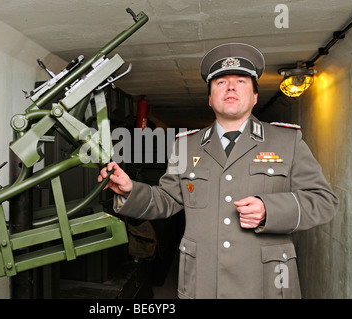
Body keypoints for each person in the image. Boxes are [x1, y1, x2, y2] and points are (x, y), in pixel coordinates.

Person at [98, 43, 338, 299]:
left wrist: (270, 210)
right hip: (203, 281)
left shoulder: (287, 141)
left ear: (255, 96)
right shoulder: (184, 145)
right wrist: (130, 190)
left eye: (241, 81)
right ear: (210, 99)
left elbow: (324, 201)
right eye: (221, 82)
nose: (231, 87)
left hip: (267, 283)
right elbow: (167, 200)